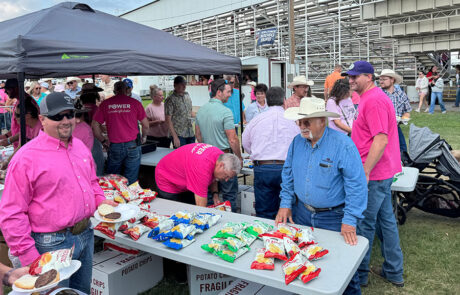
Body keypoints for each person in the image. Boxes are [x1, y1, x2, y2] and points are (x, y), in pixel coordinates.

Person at [0, 92, 115, 294]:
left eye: (69, 114)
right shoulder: (26, 157)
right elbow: (12, 213)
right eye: (57, 116)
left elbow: (91, 182)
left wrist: (102, 202)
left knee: (81, 291)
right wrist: (30, 257)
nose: (65, 121)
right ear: (42, 119)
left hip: (85, 234)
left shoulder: (79, 146)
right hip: (49, 244)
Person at [276, 96, 367, 295]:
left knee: (342, 268)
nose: (302, 126)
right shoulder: (296, 142)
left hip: (334, 216)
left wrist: (350, 219)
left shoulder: (343, 144)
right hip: (302, 213)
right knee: (303, 262)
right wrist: (285, 203)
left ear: (322, 121)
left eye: (307, 121)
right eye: (300, 121)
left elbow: (356, 185)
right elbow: (288, 173)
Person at [344, 61, 404, 288]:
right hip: (380, 171)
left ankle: (360, 275)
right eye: (349, 76)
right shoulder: (370, 98)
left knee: (365, 223)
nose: (350, 80)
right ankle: (393, 270)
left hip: (375, 173)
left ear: (368, 77)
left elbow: (381, 139)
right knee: (385, 220)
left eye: (355, 76)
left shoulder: (375, 100)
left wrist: (366, 170)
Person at [242, 87, 299, 219]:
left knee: (264, 213)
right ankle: (285, 236)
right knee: (287, 211)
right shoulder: (292, 122)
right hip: (285, 168)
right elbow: (299, 145)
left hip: (263, 167)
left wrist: (257, 155)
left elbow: (245, 142)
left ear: (266, 101)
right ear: (284, 101)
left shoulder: (256, 120)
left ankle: (267, 236)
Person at [195, 79, 243, 212]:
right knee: (229, 195)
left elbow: (198, 136)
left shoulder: (201, 110)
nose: (230, 95)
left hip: (206, 158)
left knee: (211, 196)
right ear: (219, 92)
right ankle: (231, 221)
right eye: (228, 92)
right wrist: (238, 157)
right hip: (224, 158)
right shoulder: (225, 111)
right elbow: (232, 139)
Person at [92, 81, 149, 184]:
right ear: (126, 89)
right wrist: (144, 137)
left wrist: (103, 140)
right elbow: (145, 125)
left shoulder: (106, 104)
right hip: (133, 144)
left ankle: (114, 198)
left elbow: (94, 125)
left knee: (113, 180)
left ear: (115, 90)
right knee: (131, 179)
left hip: (115, 146)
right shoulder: (135, 103)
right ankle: (131, 197)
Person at [155, 143, 241, 206]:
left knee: (190, 208)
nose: (226, 180)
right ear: (221, 165)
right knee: (177, 214)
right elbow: (201, 208)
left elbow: (214, 176)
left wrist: (215, 194)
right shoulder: (201, 168)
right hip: (167, 177)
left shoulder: (220, 156)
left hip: (184, 176)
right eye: (226, 176)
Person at [378, 69, 412, 153]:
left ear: (392, 80)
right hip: (380, 129)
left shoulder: (401, 94)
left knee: (402, 149)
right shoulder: (377, 93)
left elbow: (407, 111)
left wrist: (404, 118)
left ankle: (401, 164)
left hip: (395, 128)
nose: (381, 82)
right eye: (380, 79)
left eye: (384, 79)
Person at [78, 83, 104, 176]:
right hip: (93, 140)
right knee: (97, 168)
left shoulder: (80, 109)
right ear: (95, 95)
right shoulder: (96, 109)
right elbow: (97, 127)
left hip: (80, 140)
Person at [165, 76, 195, 148]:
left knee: (191, 155)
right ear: (175, 85)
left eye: (184, 84)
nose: (184, 86)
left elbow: (190, 111)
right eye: (181, 84)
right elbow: (168, 120)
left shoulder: (187, 95)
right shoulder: (170, 99)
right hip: (179, 135)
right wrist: (175, 137)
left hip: (190, 133)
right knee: (182, 157)